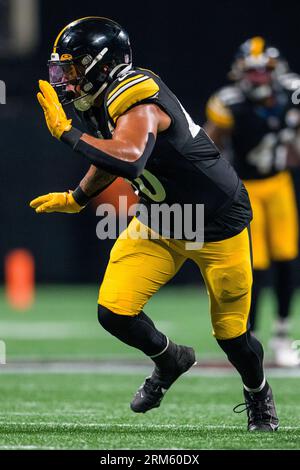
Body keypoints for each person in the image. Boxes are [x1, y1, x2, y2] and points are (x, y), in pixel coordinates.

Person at [30, 18, 278, 431]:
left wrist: (67, 133)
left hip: (217, 220)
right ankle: (170, 360)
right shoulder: (102, 99)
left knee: (233, 337)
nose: (67, 81)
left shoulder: (138, 95)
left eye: (73, 69)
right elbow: (110, 155)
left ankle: (258, 394)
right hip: (163, 218)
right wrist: (78, 198)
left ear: (102, 65)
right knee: (114, 311)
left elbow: (129, 157)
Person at [205, 37, 300, 367]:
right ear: (240, 72)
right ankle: (252, 336)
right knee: (255, 266)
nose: (258, 78)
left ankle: (283, 334)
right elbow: (206, 146)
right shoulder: (228, 103)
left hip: (279, 184)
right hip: (246, 188)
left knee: (288, 260)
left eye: (264, 72)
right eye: (253, 72)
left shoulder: (292, 92)